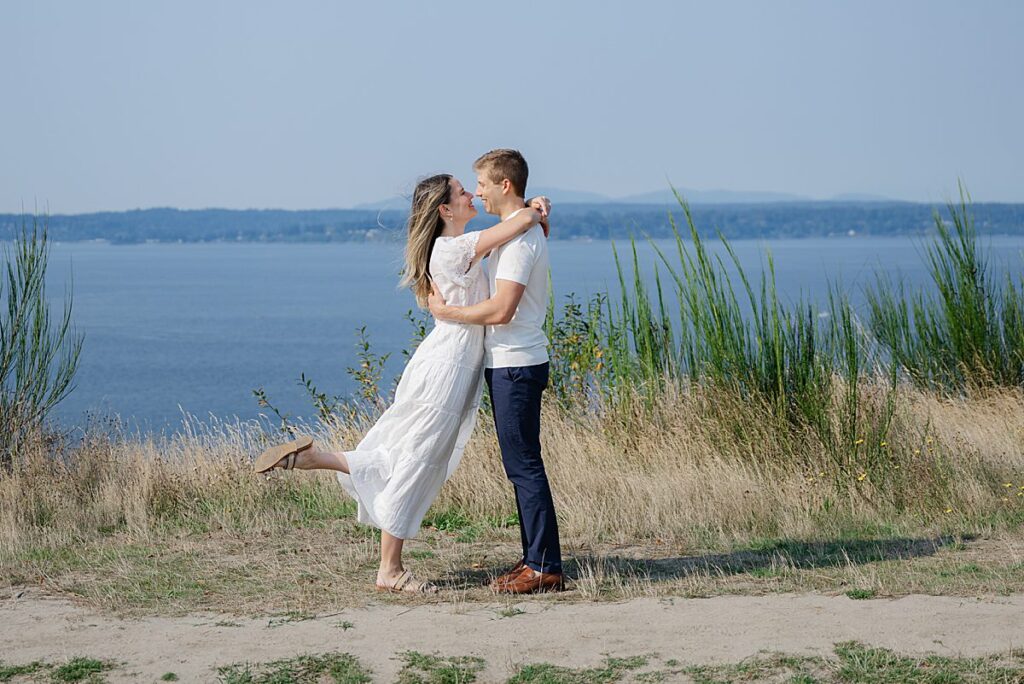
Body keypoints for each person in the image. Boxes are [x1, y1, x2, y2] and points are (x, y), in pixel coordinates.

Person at [253, 173, 550, 594]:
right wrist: (534, 209)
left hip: (447, 361)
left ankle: (311, 459)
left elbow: (512, 224)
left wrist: (535, 204)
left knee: (402, 451)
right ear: (445, 210)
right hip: (447, 368)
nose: (471, 195)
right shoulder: (451, 249)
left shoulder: (454, 246)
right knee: (417, 459)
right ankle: (390, 570)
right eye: (463, 192)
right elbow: (515, 225)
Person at [428, 149, 564, 594]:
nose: (478, 191)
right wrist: (533, 207)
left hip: (517, 364)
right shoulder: (512, 232)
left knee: (524, 465)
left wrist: (450, 313)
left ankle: (544, 567)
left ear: (505, 185)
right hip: (507, 363)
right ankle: (534, 560)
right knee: (519, 464)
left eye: (482, 184)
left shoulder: (522, 242)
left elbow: (503, 310)